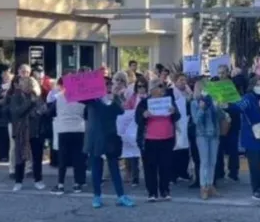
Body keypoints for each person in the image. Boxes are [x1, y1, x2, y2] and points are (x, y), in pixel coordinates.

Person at [83, 76, 135, 208]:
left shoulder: (113, 99)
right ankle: (97, 196)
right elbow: (82, 102)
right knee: (97, 167)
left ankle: (121, 196)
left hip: (110, 136)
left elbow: (121, 111)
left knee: (114, 167)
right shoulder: (92, 100)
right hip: (95, 137)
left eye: (109, 84)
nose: (109, 86)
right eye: (106, 84)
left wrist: (116, 97)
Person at [136, 82, 181, 201]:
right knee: (150, 167)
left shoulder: (169, 100)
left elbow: (178, 116)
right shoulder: (144, 102)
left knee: (165, 165)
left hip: (167, 138)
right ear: (152, 90)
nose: (162, 90)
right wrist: (143, 114)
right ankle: (152, 192)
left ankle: (165, 190)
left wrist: (174, 111)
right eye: (159, 87)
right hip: (149, 139)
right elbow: (137, 119)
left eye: (162, 88)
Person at [50, 77, 87, 194]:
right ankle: (77, 184)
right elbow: (86, 114)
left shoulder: (59, 97)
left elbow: (50, 112)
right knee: (78, 158)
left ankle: (60, 184)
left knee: (63, 158)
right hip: (79, 129)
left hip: (64, 130)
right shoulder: (82, 98)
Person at [10, 76, 46, 191]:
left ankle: (38, 180)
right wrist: (30, 103)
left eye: (31, 84)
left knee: (37, 157)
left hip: (36, 131)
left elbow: (42, 110)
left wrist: (40, 110)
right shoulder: (16, 97)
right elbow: (17, 112)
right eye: (26, 84)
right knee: (20, 157)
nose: (29, 86)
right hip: (22, 131)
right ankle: (18, 181)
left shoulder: (37, 97)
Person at [190, 80, 224, 199]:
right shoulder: (194, 103)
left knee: (213, 161)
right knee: (204, 162)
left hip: (214, 134)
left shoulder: (213, 101)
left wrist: (218, 107)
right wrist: (201, 109)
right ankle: (203, 186)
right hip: (202, 135)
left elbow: (221, 117)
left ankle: (210, 185)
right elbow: (195, 121)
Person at [213, 65, 242, 183]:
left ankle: (233, 173)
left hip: (233, 123)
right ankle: (219, 172)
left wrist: (228, 106)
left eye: (223, 73)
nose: (221, 76)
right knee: (219, 148)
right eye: (219, 73)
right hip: (219, 122)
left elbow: (239, 106)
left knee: (233, 149)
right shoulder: (214, 86)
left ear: (228, 73)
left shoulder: (233, 86)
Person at [170, 74, 195, 185]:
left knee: (185, 149)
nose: (183, 82)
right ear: (175, 81)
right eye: (181, 80)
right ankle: (173, 174)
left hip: (186, 122)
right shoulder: (171, 92)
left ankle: (183, 172)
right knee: (175, 149)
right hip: (176, 123)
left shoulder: (189, 91)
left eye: (185, 80)